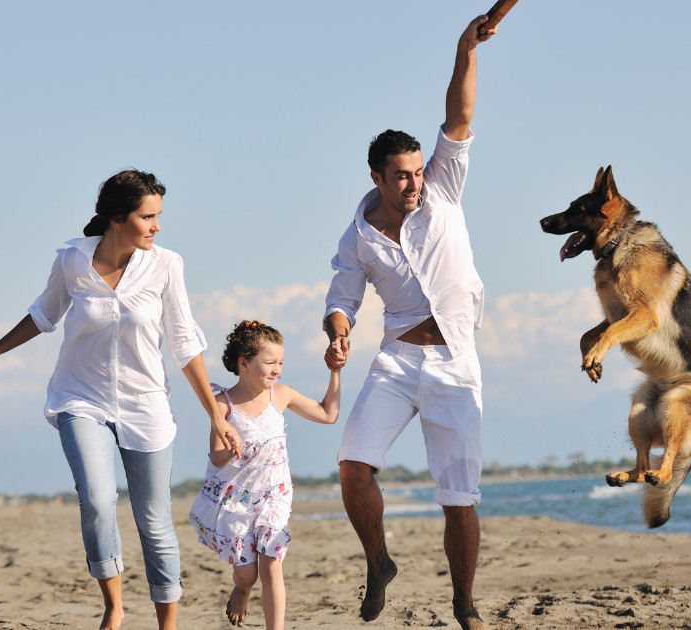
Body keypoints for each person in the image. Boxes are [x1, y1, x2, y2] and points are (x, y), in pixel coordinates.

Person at [0, 169, 241, 630]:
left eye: (158, 216)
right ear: (117, 218)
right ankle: (114, 605)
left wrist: (216, 415)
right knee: (96, 499)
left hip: (145, 403)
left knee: (153, 521)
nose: (157, 226)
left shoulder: (167, 265)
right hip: (81, 397)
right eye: (147, 217)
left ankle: (166, 625)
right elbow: (44, 314)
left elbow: (185, 344)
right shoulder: (73, 259)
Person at [322, 14, 499, 630]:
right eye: (402, 174)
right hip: (397, 360)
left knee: (459, 500)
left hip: (454, 362)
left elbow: (459, 114)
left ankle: (464, 604)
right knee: (351, 467)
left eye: (418, 170)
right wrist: (339, 329)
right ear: (377, 177)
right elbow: (342, 294)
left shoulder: (443, 189)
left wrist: (465, 50)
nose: (414, 182)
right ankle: (379, 561)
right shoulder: (359, 235)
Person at [189, 320, 341, 630]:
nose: (277, 370)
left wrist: (335, 372)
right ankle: (242, 589)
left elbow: (328, 414)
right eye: (269, 362)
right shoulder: (223, 404)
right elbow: (216, 459)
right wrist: (231, 450)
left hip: (274, 495)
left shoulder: (281, 395)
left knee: (272, 564)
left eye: (280, 363)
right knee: (247, 575)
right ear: (244, 363)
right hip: (236, 499)